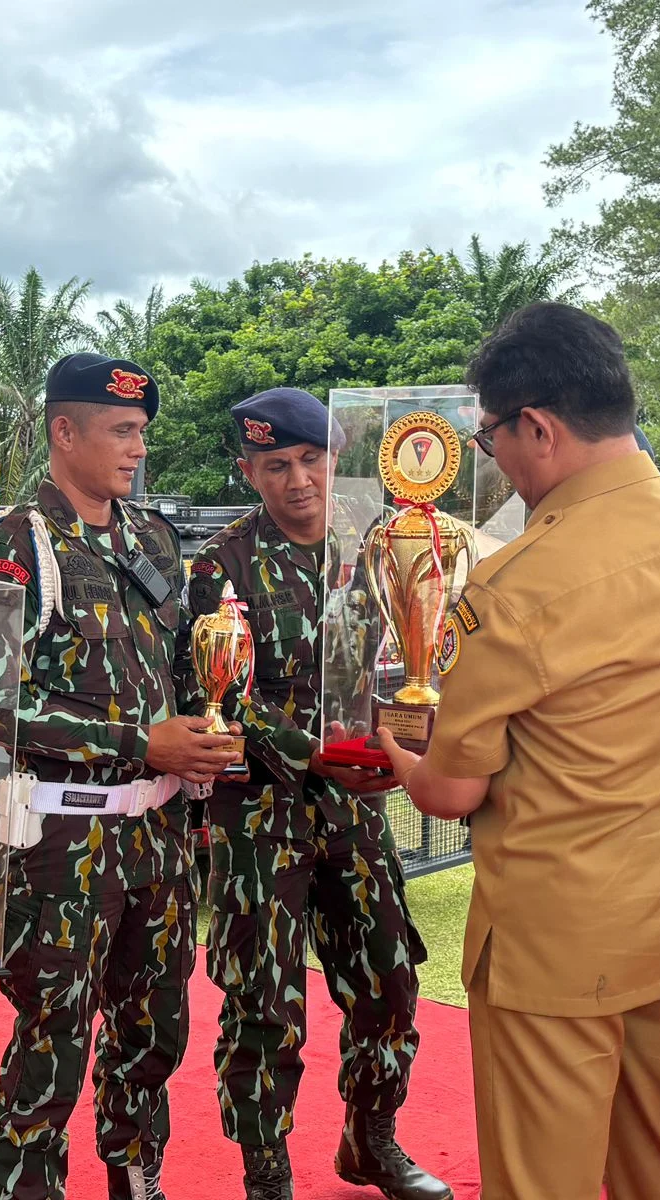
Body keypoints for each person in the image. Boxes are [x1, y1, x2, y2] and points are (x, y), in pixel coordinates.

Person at [375, 303, 660, 1200]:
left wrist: (393, 747)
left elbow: (451, 793)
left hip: (560, 943)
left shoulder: (514, 587)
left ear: (539, 428)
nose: (496, 460)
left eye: (489, 440)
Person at [0, 353, 239, 1200]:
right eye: (122, 431)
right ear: (64, 432)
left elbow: (181, 669)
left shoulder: (153, 537)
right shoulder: (16, 544)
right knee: (51, 1043)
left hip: (158, 835)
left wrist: (206, 729)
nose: (138, 449)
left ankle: (135, 1179)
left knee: (152, 1036)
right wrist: (138, 742)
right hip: (61, 839)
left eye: (142, 432)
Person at [179, 388, 450, 1200]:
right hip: (258, 815)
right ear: (249, 472)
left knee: (389, 980)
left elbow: (409, 657)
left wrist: (413, 727)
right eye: (276, 466)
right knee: (264, 1002)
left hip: (353, 806)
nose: (297, 480)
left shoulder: (378, 547)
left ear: (334, 460)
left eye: (310, 460)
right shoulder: (221, 565)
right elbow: (227, 696)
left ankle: (370, 1139)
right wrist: (317, 757)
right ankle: (266, 1171)